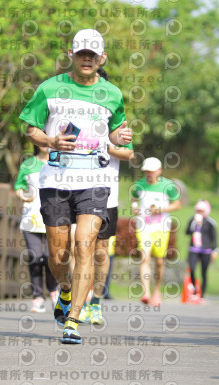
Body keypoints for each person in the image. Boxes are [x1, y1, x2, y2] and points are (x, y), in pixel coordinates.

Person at [19, 29, 133, 344]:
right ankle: (65, 290)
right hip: (55, 180)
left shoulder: (112, 93)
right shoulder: (50, 88)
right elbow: (31, 128)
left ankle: (73, 320)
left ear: (102, 59)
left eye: (93, 54)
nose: (87, 58)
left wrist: (119, 137)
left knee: (85, 244)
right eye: (82, 53)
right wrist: (51, 140)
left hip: (95, 181)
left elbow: (117, 132)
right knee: (58, 255)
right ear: (71, 54)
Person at [79, 67, 133, 324]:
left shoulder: (117, 121)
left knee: (100, 252)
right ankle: (75, 298)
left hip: (105, 194)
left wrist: (105, 145)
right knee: (76, 248)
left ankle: (96, 302)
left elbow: (128, 153)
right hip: (74, 191)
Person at [131, 157, 181, 307]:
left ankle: (157, 290)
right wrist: (134, 206)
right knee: (145, 257)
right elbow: (133, 198)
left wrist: (161, 209)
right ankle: (145, 292)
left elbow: (177, 204)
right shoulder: (139, 185)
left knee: (159, 261)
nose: (148, 174)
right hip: (144, 226)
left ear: (159, 171)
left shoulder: (168, 186)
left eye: (151, 171)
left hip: (161, 227)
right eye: (146, 171)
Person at [15, 144, 59, 313]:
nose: (45, 142)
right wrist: (23, 196)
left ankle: (54, 291)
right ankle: (37, 297)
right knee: (34, 256)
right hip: (31, 218)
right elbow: (18, 186)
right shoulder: (28, 164)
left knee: (50, 257)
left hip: (54, 217)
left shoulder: (59, 162)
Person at [185, 199, 218, 302]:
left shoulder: (210, 222)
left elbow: (214, 237)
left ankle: (202, 295)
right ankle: (194, 291)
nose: (199, 213)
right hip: (193, 249)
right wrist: (195, 224)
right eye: (198, 210)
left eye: (201, 211)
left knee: (204, 272)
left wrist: (215, 250)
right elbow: (187, 232)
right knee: (192, 269)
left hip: (206, 250)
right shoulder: (192, 220)